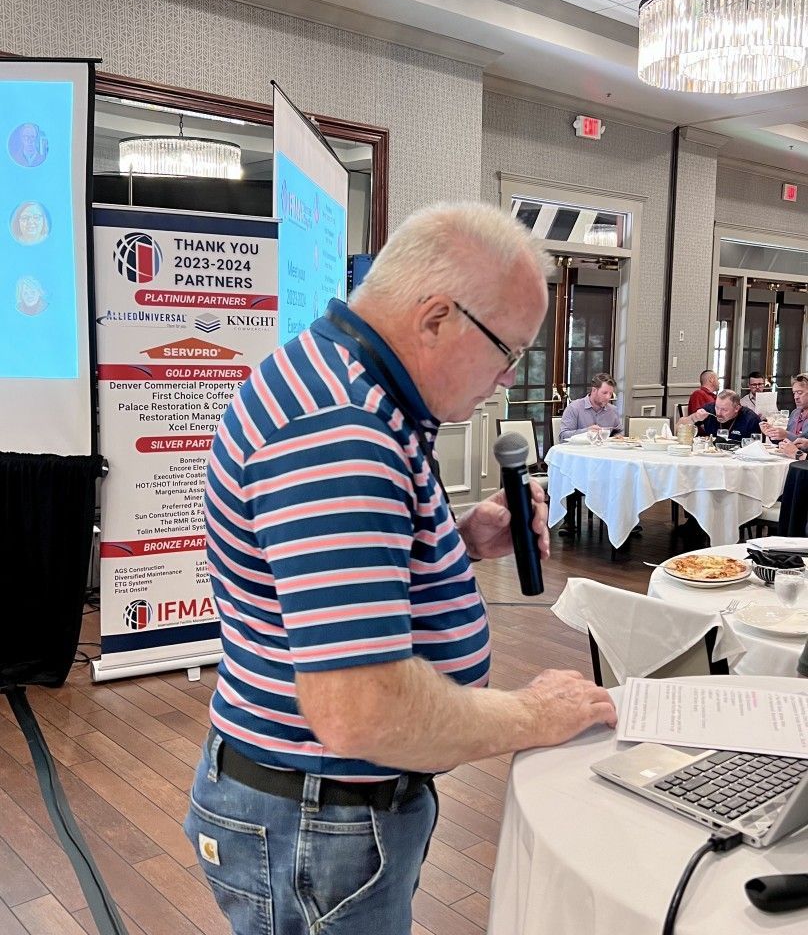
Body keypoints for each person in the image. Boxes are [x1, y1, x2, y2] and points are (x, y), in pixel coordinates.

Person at [185, 203, 617, 935]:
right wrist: (532, 715)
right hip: (316, 818)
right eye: (507, 351)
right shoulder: (341, 428)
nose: (508, 378)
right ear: (437, 317)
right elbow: (364, 708)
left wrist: (455, 537)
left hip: (319, 810)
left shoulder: (346, 383)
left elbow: (328, 564)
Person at [558, 372, 622, 442]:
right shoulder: (574, 408)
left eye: (610, 394)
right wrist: (586, 432)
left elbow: (618, 433)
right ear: (594, 390)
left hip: (605, 451)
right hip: (580, 451)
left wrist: (617, 437)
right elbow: (563, 436)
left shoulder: (613, 410)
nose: (608, 397)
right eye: (604, 393)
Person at [678, 388, 761, 441]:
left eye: (724, 410)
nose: (718, 413)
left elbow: (756, 448)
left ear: (737, 408)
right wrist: (694, 417)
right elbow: (678, 427)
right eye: (717, 407)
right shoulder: (709, 409)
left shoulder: (751, 419)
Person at [760, 373, 808, 447]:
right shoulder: (795, 413)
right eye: (794, 393)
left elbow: (804, 444)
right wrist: (773, 433)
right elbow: (786, 442)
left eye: (799, 393)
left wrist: (786, 435)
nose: (796, 397)